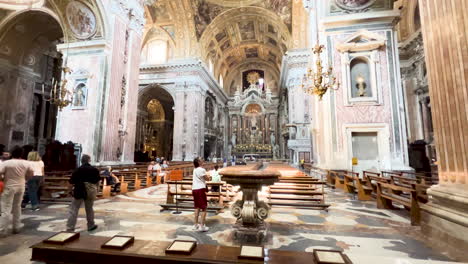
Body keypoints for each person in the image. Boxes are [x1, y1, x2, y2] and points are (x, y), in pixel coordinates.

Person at [0, 147, 34, 235]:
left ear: (11, 153)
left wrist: (3, 179)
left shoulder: (7, 163)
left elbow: (0, 172)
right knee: (17, 207)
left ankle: (2, 229)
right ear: (22, 154)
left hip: (9, 186)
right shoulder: (26, 163)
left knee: (6, 208)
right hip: (21, 186)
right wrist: (25, 179)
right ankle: (16, 227)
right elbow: (31, 174)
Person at [66, 154, 100, 232]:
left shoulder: (78, 170)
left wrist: (69, 191)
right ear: (89, 160)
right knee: (89, 209)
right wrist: (97, 189)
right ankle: (91, 225)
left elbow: (71, 182)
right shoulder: (94, 169)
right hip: (90, 191)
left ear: (81, 161)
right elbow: (98, 181)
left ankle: (70, 227)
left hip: (79, 190)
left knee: (74, 209)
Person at [192, 157, 211, 232]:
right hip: (200, 189)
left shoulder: (195, 169)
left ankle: (195, 224)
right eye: (201, 160)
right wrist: (209, 177)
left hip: (194, 189)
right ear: (199, 162)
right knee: (204, 208)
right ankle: (202, 226)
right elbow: (207, 179)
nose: (203, 160)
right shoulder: (202, 169)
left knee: (197, 207)